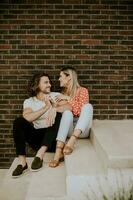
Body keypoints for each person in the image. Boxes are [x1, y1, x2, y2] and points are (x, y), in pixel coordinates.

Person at [12, 72, 63, 178]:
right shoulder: (29, 102)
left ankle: (40, 155)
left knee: (58, 115)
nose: (49, 85)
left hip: (53, 138)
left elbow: (69, 108)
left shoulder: (55, 96)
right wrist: (45, 107)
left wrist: (54, 108)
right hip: (37, 138)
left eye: (49, 82)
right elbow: (27, 118)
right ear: (37, 85)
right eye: (46, 82)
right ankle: (22, 163)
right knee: (18, 121)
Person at [49, 67, 93, 167]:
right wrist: (55, 105)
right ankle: (57, 154)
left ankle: (72, 141)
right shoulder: (61, 94)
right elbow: (61, 110)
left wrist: (68, 99)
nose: (59, 79)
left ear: (69, 77)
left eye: (61, 76)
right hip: (69, 129)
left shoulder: (83, 91)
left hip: (82, 129)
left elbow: (79, 111)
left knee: (88, 106)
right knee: (67, 113)